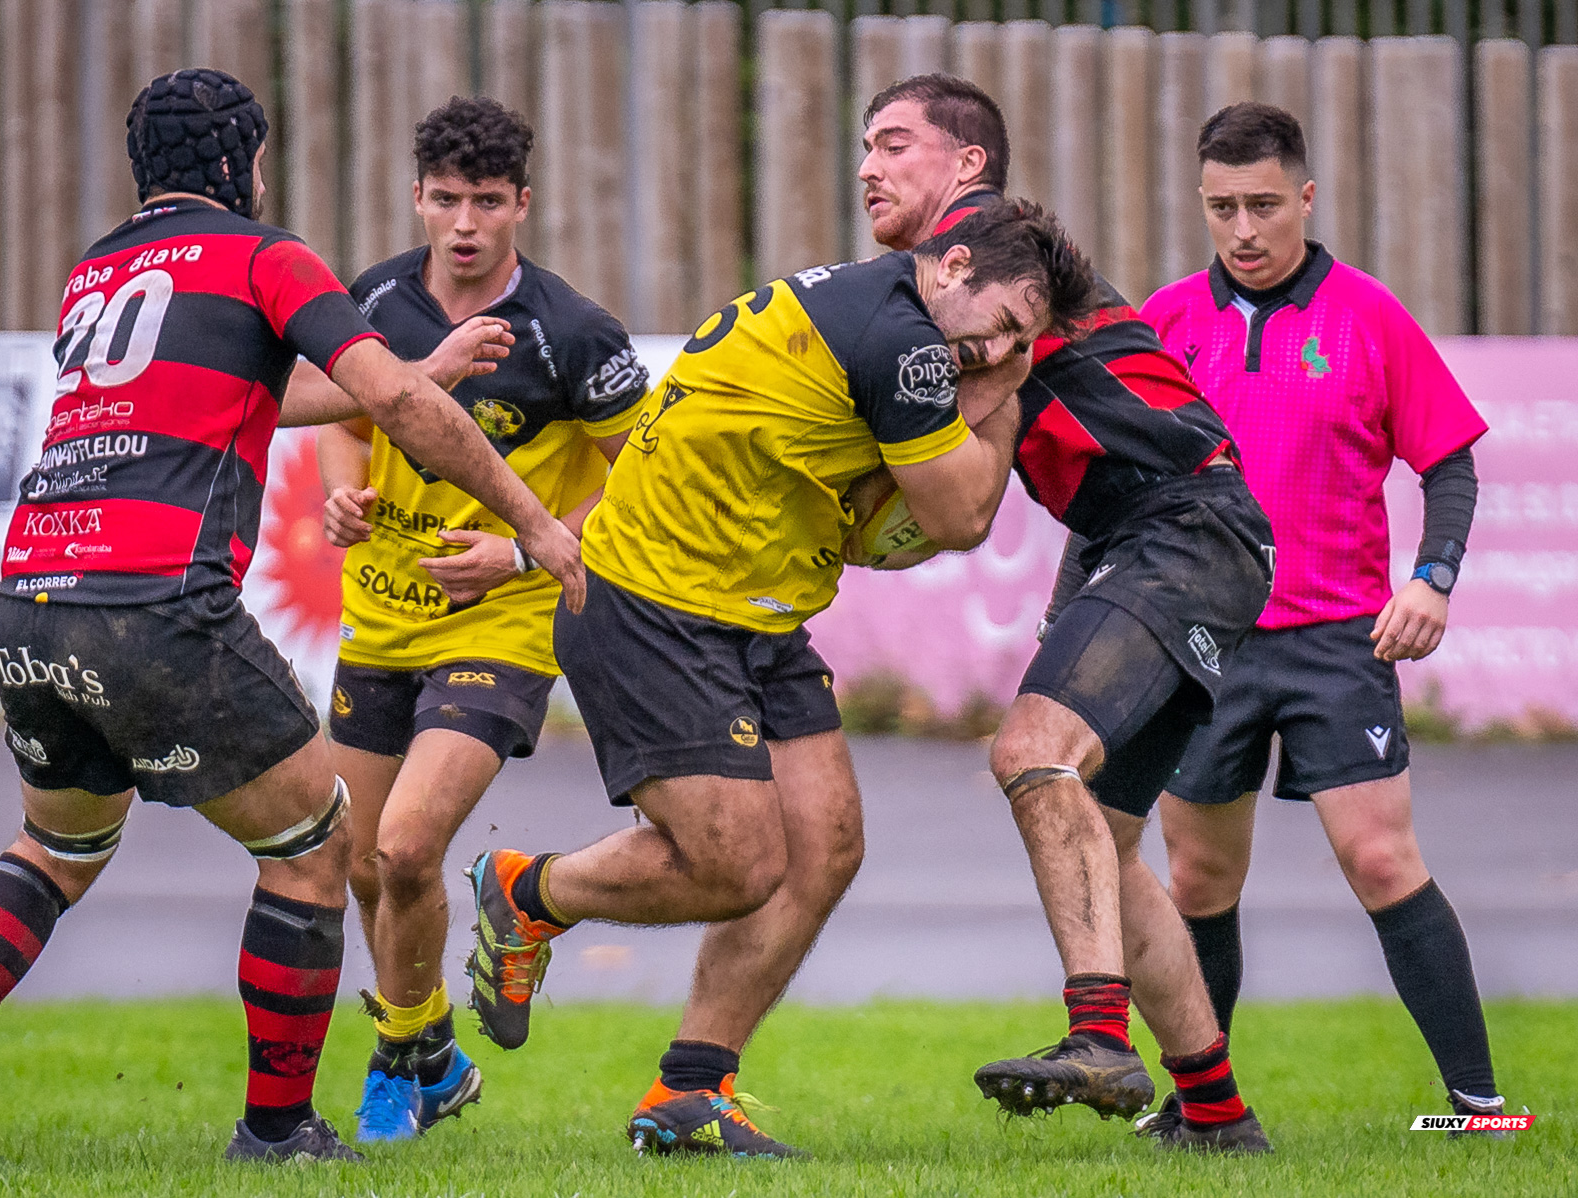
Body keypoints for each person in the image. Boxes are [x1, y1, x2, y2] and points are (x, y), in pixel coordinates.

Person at [0, 68, 585, 1167]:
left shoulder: (97, 271)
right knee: (322, 839)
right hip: (157, 601)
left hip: (34, 596)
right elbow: (399, 407)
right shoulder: (263, 254)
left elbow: (249, 392)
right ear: (241, 163)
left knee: (55, 843)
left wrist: (408, 366)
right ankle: (278, 1129)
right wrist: (537, 523)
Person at [463, 202, 1097, 1158]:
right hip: (651, 603)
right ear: (953, 264)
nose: (1000, 345)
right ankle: (528, 893)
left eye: (1020, 337)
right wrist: (1013, 383)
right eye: (1004, 319)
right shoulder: (906, 342)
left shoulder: (876, 305)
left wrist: (988, 365)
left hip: (754, 605)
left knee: (826, 847)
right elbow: (963, 515)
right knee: (739, 865)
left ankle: (689, 1093)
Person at [858, 74, 1273, 1152]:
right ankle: (1219, 1116)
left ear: (965, 166)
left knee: (1031, 751)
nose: (869, 165)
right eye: (863, 146)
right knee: (1109, 846)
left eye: (895, 143)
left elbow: (987, 361)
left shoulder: (991, 239)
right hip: (1162, 540)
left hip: (1184, 526)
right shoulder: (942, 276)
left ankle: (1097, 1036)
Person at [1139, 102, 1504, 1133]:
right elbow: (1119, 479)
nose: (1243, 229)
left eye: (1262, 204)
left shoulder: (1369, 316)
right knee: (1199, 875)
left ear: (1305, 196)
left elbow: (1450, 464)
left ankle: (1478, 1105)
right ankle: (1196, 1107)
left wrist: (1432, 576)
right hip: (1201, 640)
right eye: (1222, 208)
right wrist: (1072, 607)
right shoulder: (1167, 322)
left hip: (1338, 639)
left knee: (1382, 859)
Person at [288, 96, 648, 1142]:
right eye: (445, 198)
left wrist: (522, 542)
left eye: (487, 201)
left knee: (404, 848)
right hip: (382, 617)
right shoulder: (377, 299)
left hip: (502, 622)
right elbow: (344, 417)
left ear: (521, 205)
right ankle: (428, 1046)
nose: (465, 222)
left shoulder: (573, 333)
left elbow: (643, 479)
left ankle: (401, 1061)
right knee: (358, 861)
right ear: (417, 197)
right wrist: (342, 488)